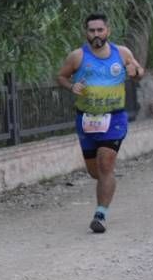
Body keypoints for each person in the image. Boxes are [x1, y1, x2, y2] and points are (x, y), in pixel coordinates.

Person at [57, 13, 144, 233]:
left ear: (108, 31)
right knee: (96, 172)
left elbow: (138, 71)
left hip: (114, 117)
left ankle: (100, 214)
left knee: (106, 164)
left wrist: (136, 72)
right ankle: (108, 182)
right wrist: (71, 87)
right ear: (86, 33)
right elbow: (61, 76)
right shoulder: (77, 56)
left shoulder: (121, 53)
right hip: (86, 120)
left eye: (100, 30)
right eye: (92, 31)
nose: (96, 34)